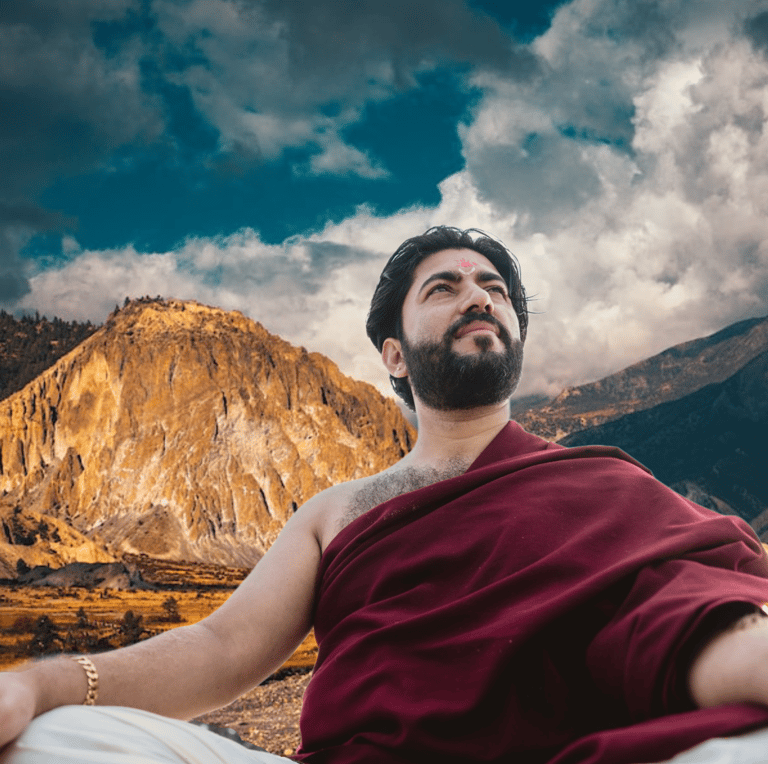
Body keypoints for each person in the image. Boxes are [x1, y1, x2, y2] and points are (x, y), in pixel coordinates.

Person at [2, 226, 768, 764]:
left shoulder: (603, 484)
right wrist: (44, 683)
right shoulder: (338, 512)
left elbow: (681, 615)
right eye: (446, 287)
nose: (480, 298)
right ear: (394, 355)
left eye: (494, 289)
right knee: (46, 741)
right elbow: (223, 648)